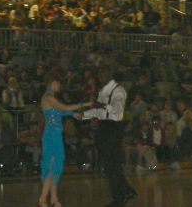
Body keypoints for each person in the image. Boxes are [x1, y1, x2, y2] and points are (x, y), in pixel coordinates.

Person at [81, 67, 136, 207]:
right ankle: (127, 191)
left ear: (110, 75)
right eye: (100, 75)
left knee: (112, 166)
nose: (102, 77)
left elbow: (117, 112)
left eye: (104, 74)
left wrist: (99, 104)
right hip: (104, 131)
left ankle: (119, 199)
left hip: (113, 131)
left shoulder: (119, 90)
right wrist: (85, 115)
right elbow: (100, 112)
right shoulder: (103, 91)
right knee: (110, 166)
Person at [38, 72, 91, 207]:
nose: (60, 86)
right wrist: (84, 104)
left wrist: (73, 114)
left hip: (56, 136)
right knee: (51, 167)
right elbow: (65, 107)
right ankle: (42, 199)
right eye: (58, 83)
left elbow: (61, 112)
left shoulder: (51, 98)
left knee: (56, 166)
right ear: (53, 82)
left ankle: (54, 199)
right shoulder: (48, 97)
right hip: (50, 136)